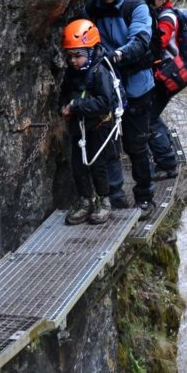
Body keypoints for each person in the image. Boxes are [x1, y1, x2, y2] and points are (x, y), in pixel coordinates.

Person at [85, 0, 156, 220]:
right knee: (108, 145)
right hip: (107, 90)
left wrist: (116, 55)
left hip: (137, 86)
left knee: (136, 145)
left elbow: (140, 40)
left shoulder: (136, 6)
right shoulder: (93, 7)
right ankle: (116, 200)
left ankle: (145, 197)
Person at [58, 19, 119, 225]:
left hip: (98, 127)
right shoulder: (72, 73)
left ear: (91, 52)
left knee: (97, 165)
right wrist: (64, 107)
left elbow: (104, 102)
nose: (74, 61)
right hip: (79, 127)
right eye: (70, 56)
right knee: (78, 165)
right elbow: (65, 94)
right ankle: (86, 200)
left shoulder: (100, 72)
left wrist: (75, 107)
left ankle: (104, 201)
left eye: (78, 56)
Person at [147, 0, 187, 179]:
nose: (153, 1)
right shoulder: (162, 13)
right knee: (151, 116)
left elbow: (158, 45)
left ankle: (167, 164)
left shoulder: (167, 18)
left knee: (149, 119)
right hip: (167, 73)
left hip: (165, 75)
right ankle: (166, 155)